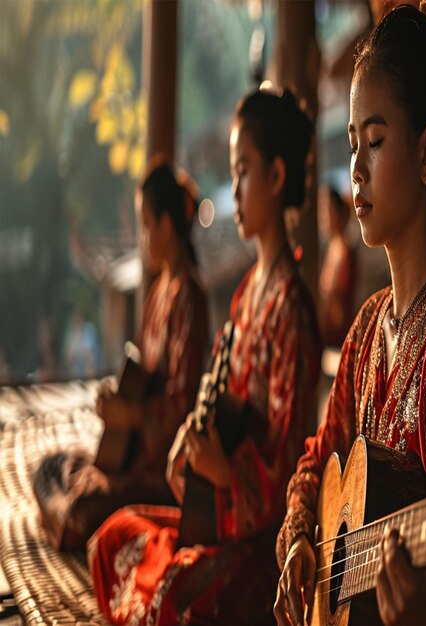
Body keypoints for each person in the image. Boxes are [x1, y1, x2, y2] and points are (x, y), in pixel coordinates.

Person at [274, 3, 426, 625]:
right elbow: (315, 459)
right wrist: (303, 536)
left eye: (376, 142)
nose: (355, 169)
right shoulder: (365, 331)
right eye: (353, 144)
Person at [87, 87, 322, 625]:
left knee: (169, 595)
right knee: (110, 541)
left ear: (278, 178)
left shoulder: (292, 307)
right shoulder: (245, 295)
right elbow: (211, 396)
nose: (233, 189)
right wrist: (187, 440)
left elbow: (289, 461)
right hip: (210, 511)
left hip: (256, 538)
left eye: (242, 172)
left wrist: (224, 470)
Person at [34, 158, 209, 551]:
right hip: (128, 455)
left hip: (155, 472)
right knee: (52, 466)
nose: (143, 236)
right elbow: (141, 379)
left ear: (166, 225)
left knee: (82, 507)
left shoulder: (189, 298)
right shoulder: (160, 291)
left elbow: (180, 409)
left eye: (145, 224)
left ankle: (67, 518)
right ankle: (66, 512)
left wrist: (127, 415)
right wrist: (115, 402)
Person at [318, 186, 357, 347]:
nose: (323, 217)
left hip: (339, 334)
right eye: (321, 211)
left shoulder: (346, 250)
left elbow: (340, 304)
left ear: (338, 211)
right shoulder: (332, 248)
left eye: (327, 210)